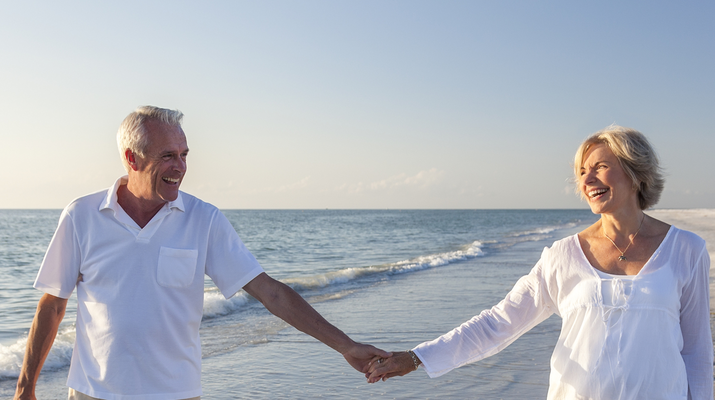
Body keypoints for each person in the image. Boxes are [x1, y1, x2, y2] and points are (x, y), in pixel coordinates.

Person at [15, 106, 390, 400]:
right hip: (92, 392)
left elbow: (270, 292)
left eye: (184, 154)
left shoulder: (203, 219)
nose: (180, 167)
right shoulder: (81, 215)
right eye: (167, 156)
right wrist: (24, 388)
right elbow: (53, 304)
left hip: (175, 393)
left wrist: (346, 346)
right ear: (132, 159)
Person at [367, 125, 713, 399]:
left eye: (600, 167)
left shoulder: (686, 249)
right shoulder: (563, 255)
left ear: (636, 172)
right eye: (582, 172)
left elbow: (697, 353)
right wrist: (416, 357)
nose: (587, 179)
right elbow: (498, 323)